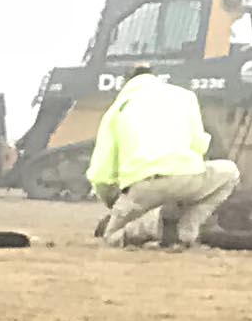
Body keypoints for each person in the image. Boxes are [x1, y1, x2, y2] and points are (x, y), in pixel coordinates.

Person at [87, 66, 240, 249]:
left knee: (111, 237)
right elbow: (200, 144)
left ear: (126, 83)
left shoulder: (117, 110)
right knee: (230, 172)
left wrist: (112, 201)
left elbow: (100, 173)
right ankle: (186, 231)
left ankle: (149, 227)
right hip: (186, 179)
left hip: (143, 187)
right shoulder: (185, 96)